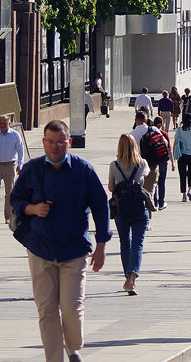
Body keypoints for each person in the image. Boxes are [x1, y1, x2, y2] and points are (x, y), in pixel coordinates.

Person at [11, 120, 111, 362]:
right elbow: (16, 201)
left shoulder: (83, 170)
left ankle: (73, 347)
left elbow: (100, 205)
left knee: (71, 310)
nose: (55, 147)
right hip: (40, 249)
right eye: (50, 142)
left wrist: (101, 244)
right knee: (46, 311)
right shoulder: (32, 170)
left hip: (74, 250)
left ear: (70, 142)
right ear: (43, 143)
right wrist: (33, 208)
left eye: (60, 143)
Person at [107, 135, 150, 295]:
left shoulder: (114, 165)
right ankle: (132, 279)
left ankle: (128, 278)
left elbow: (111, 187)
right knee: (138, 245)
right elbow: (146, 174)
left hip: (121, 210)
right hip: (139, 209)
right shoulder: (142, 163)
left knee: (125, 244)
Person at [0, 115, 25, 226]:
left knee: (9, 192)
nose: (3, 126)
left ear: (9, 123)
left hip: (10, 165)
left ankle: (8, 216)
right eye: (1, 123)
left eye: (5, 123)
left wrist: (20, 165)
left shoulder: (15, 135)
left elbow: (20, 151)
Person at [139, 118, 170, 210]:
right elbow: (167, 145)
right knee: (161, 182)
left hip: (151, 161)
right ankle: (161, 202)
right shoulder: (163, 133)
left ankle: (154, 201)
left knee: (153, 183)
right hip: (162, 160)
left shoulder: (144, 135)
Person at [173, 113, 191, 203]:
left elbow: (175, 143)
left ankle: (184, 195)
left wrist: (174, 154)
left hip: (181, 154)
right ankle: (189, 189)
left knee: (182, 174)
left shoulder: (179, 130)